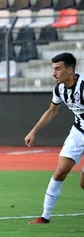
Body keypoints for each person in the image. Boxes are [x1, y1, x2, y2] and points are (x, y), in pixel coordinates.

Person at [25, 52, 84, 224]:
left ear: (70, 70)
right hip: (79, 132)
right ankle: (45, 216)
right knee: (61, 170)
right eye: (53, 69)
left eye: (58, 69)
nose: (54, 73)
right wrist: (33, 131)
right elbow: (52, 111)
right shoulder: (59, 88)